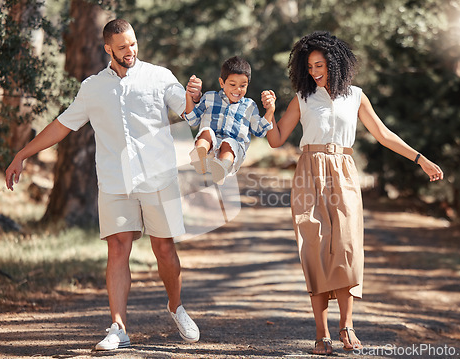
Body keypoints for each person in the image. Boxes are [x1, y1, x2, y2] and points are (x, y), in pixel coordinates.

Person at [5, 19, 202, 351]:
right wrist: (23, 153)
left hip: (158, 177)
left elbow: (183, 108)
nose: (130, 51)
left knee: (164, 250)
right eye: (122, 47)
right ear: (108, 48)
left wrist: (191, 97)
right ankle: (119, 327)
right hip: (115, 181)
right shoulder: (93, 87)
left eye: (133, 44)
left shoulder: (158, 76)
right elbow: (61, 125)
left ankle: (175, 307)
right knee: (117, 249)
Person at [261, 31, 443, 355]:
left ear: (334, 62)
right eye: (310, 66)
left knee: (346, 248)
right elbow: (276, 140)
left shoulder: (356, 96)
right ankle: (321, 333)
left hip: (343, 172)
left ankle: (347, 325)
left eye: (320, 65)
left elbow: (384, 135)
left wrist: (421, 159)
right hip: (308, 172)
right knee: (314, 250)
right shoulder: (303, 98)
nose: (315, 72)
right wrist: (270, 113)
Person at [184, 56, 274, 185]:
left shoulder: (250, 106)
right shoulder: (210, 97)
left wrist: (270, 110)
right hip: (210, 148)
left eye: (243, 85)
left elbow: (259, 131)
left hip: (232, 152)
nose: (238, 90)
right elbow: (193, 120)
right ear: (222, 83)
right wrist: (188, 96)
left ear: (248, 84)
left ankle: (221, 169)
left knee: (229, 143)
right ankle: (199, 156)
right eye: (232, 85)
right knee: (206, 132)